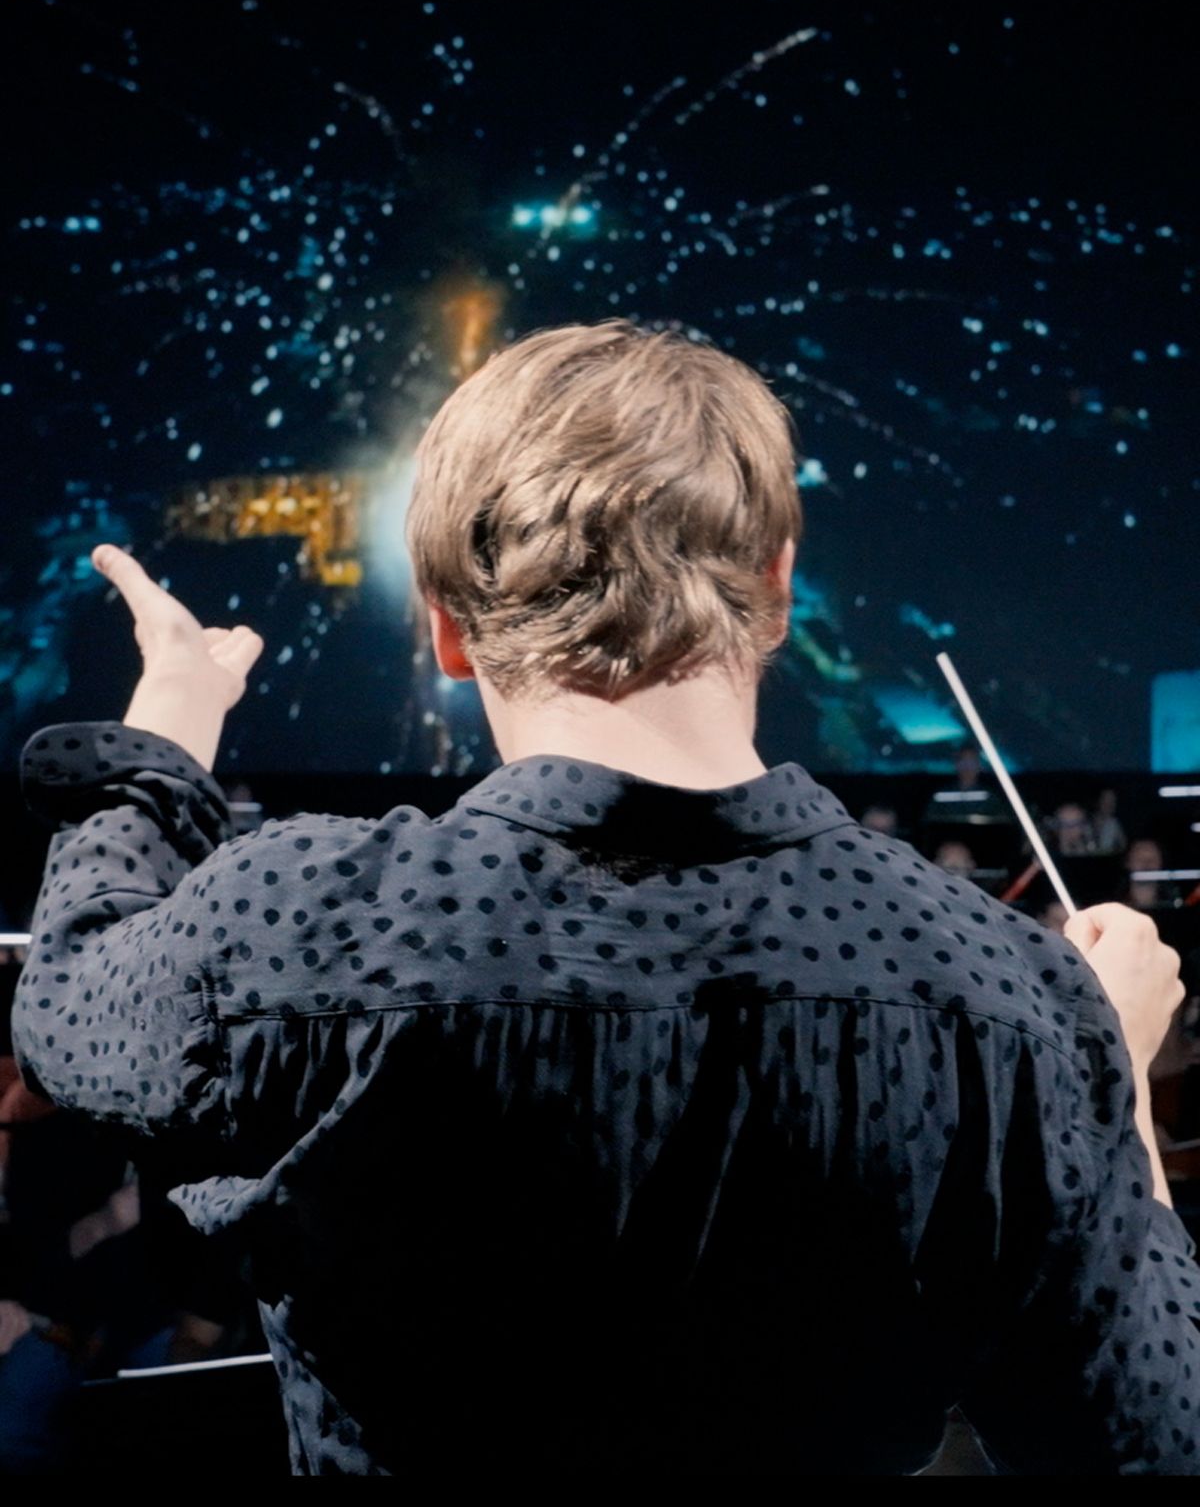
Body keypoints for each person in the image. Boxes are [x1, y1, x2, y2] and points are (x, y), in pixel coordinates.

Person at [10, 320, 1199, 1476]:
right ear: (777, 589)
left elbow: (66, 1000)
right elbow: (1151, 1436)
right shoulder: (1012, 996)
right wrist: (1108, 1071)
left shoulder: (294, 925)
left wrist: (170, 722)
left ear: (446, 628)